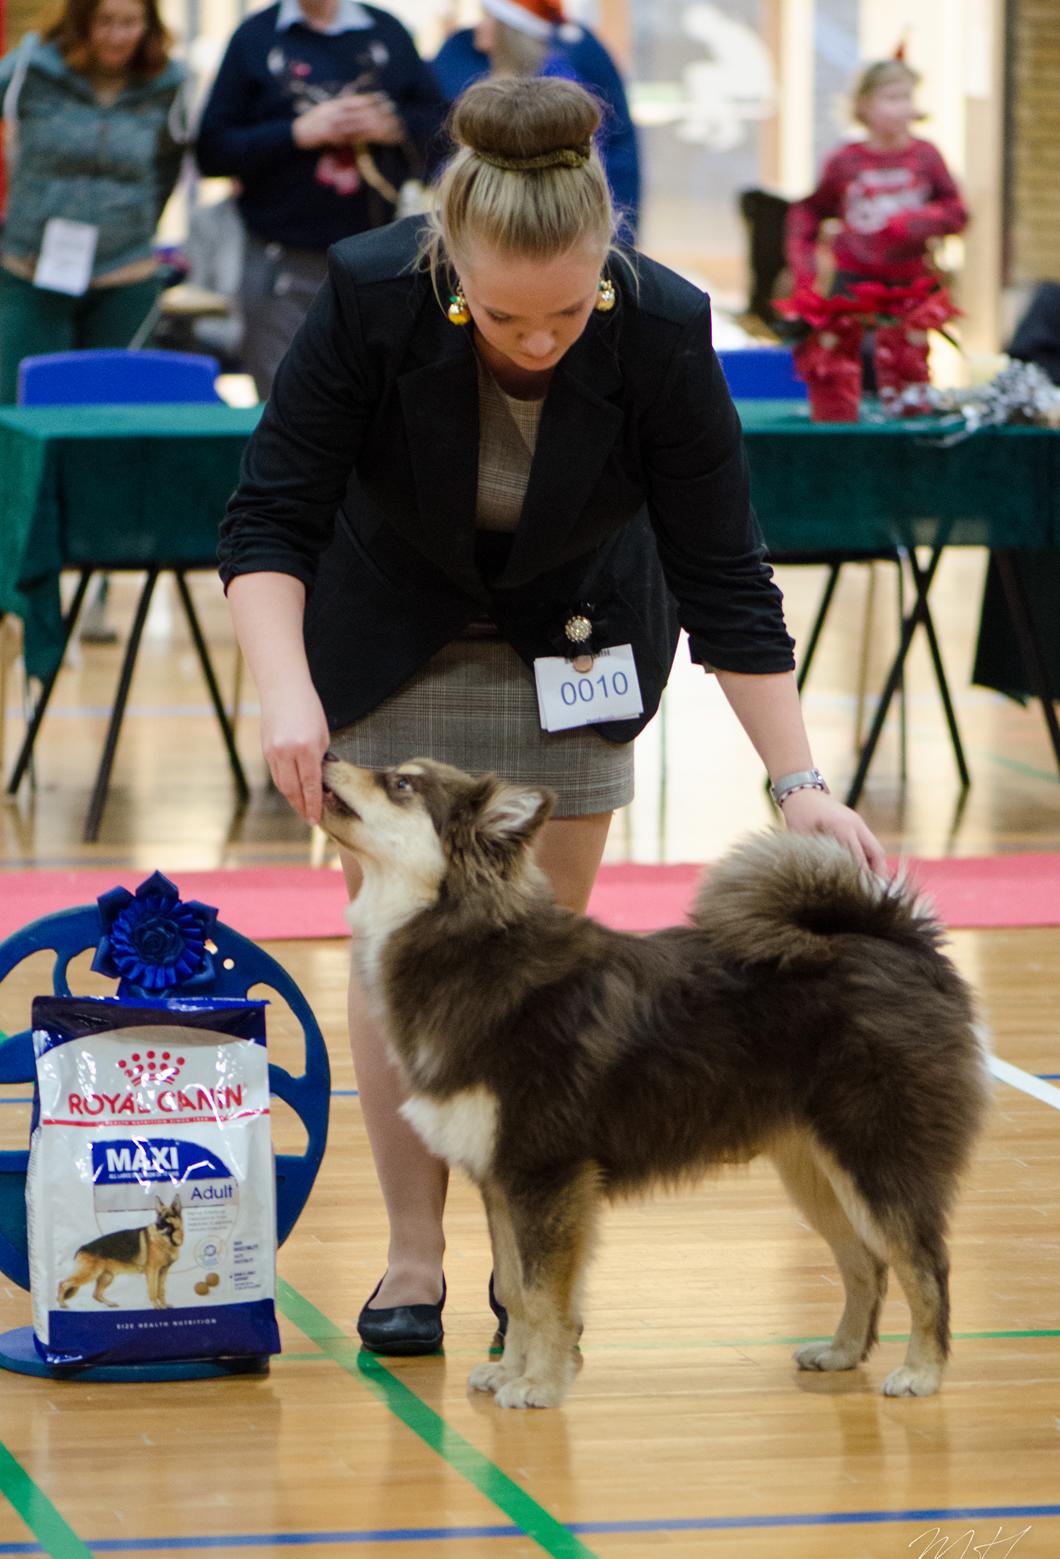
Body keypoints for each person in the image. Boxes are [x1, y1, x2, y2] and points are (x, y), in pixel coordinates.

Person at [218, 75, 886, 1356]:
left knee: (532, 975)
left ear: (609, 266)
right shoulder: (368, 293)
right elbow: (271, 513)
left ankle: (525, 1257)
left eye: (568, 312)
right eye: (501, 315)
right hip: (387, 637)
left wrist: (796, 779)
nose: (538, 341)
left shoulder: (660, 326)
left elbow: (723, 569)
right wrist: (287, 695)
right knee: (399, 954)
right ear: (448, 261)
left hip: (574, 645)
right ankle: (415, 1258)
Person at [195, 0, 447, 399]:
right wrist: (297, 133)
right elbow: (211, 152)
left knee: (371, 400)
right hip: (278, 258)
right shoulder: (254, 37)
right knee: (284, 400)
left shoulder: (389, 32)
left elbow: (443, 132)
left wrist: (394, 125)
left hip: (377, 261)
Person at [0, 0, 187, 405]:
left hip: (125, 270)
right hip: (33, 267)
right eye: (105, 22)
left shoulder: (169, 82)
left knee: (117, 407)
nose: (117, 35)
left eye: (129, 23)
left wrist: (140, 222)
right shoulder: (32, 68)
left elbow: (170, 163)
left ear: (148, 25)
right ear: (81, 22)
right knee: (21, 403)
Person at [432, 0, 639, 237]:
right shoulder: (470, 63)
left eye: (488, 18)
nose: (479, 27)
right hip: (489, 218)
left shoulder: (557, 85)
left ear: (510, 30)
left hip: (550, 218)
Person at [785, 54, 967, 296]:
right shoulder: (844, 160)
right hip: (854, 281)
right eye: (892, 98)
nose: (903, 107)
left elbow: (957, 212)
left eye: (907, 97)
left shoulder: (926, 155)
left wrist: (914, 222)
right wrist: (806, 272)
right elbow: (808, 213)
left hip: (910, 282)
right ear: (864, 105)